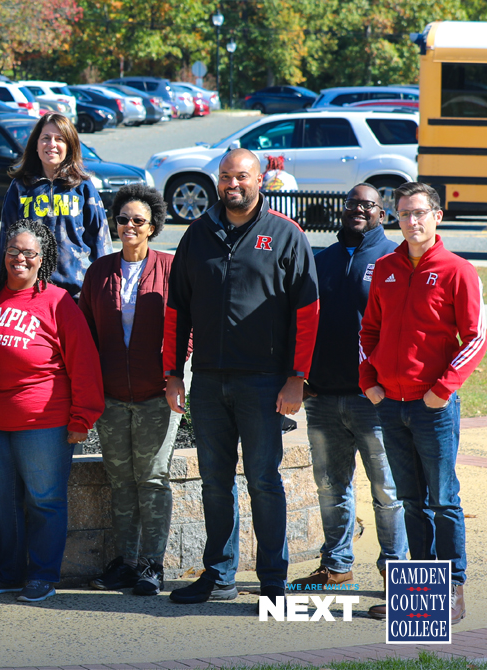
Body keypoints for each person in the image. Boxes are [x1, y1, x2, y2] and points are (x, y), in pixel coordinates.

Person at [163, 148, 319, 605]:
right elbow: (177, 312)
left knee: (264, 480)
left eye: (243, 177)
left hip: (264, 383)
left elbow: (307, 314)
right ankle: (219, 574)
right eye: (226, 176)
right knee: (215, 481)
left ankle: (273, 577)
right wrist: (173, 374)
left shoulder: (286, 235)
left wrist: (297, 378)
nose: (234, 184)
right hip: (209, 381)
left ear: (260, 181)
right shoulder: (196, 235)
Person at [360, 182, 483, 625]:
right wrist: (369, 382)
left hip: (433, 408)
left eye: (419, 213)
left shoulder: (457, 271)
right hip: (390, 404)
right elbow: (367, 332)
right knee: (411, 499)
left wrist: (441, 390)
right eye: (404, 214)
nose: (411, 221)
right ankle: (420, 593)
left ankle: (452, 588)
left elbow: (475, 338)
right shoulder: (386, 268)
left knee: (443, 498)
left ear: (437, 216)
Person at [0, 219, 104, 603]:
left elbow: (84, 363)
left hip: (42, 422)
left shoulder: (58, 301)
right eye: (13, 251)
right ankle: (10, 572)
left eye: (29, 253)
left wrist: (83, 417)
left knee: (44, 498)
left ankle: (42, 575)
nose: (19, 259)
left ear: (42, 259)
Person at [295, 184, 405, 620]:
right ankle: (337, 568)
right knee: (330, 487)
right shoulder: (320, 259)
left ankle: (398, 580)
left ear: (381, 212)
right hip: (322, 397)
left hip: (373, 399)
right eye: (352, 204)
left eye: (368, 205)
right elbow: (302, 323)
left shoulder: (393, 260)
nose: (358, 210)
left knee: (388, 491)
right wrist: (300, 376)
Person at [79, 184, 178, 596]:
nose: (130, 226)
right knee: (120, 480)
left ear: (153, 225)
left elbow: (183, 327)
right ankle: (127, 561)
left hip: (157, 393)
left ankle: (152, 566)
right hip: (113, 395)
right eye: (123, 219)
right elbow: (85, 331)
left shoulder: (170, 268)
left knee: (152, 478)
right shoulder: (99, 271)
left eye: (139, 220)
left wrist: (175, 374)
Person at [0, 113, 110, 300]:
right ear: (36, 144)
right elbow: (6, 240)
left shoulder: (82, 187)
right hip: (29, 291)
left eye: (60, 139)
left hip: (76, 293)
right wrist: (3, 285)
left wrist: (103, 289)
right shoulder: (20, 186)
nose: (52, 144)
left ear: (70, 146)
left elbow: (100, 241)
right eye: (46, 138)